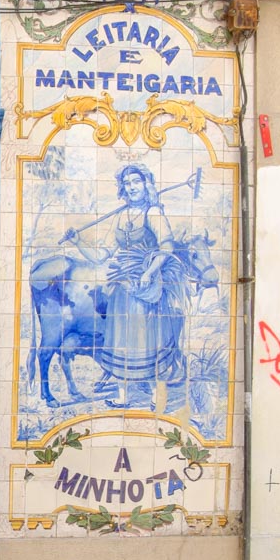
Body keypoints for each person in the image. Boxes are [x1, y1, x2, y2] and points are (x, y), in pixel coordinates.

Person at [65, 163, 185, 409]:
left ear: (146, 184)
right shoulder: (120, 216)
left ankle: (156, 396)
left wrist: (149, 272)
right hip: (122, 288)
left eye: (136, 182)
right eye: (127, 183)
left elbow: (167, 248)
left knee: (145, 340)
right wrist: (78, 242)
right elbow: (102, 255)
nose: (131, 188)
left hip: (146, 288)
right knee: (121, 339)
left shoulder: (153, 213)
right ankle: (122, 396)